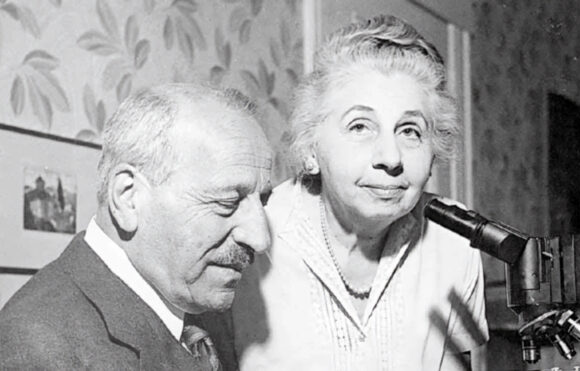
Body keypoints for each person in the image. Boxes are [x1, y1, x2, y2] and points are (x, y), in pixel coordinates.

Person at [220, 15, 489, 371]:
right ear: (312, 150)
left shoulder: (454, 241)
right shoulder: (248, 240)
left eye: (410, 131)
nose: (391, 158)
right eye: (360, 126)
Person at [0, 83, 273, 369]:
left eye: (262, 202)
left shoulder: (199, 305)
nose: (260, 238)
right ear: (128, 197)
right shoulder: (37, 348)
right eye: (228, 202)